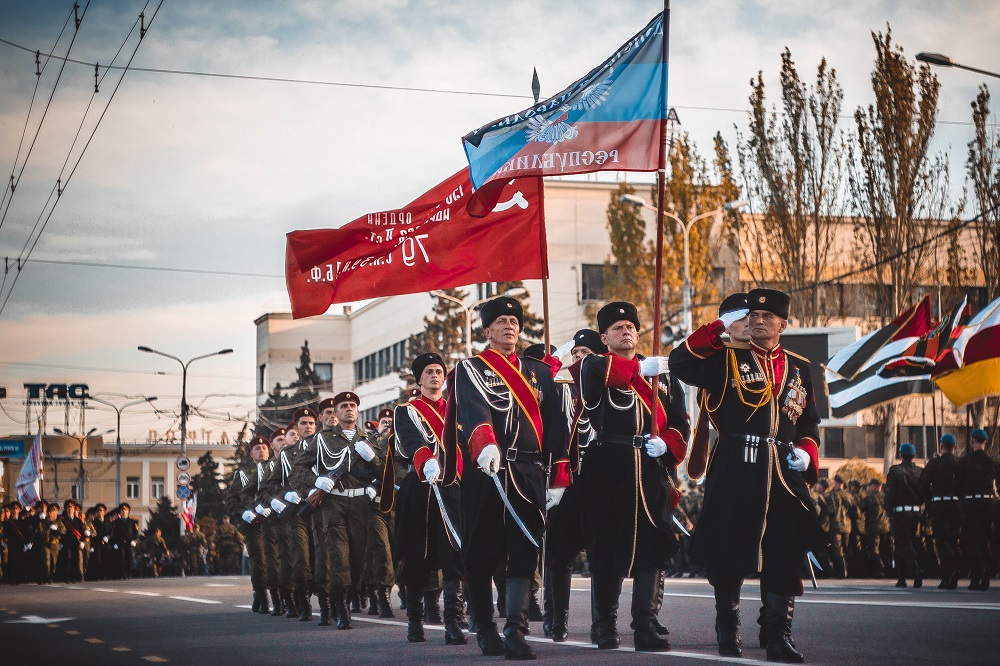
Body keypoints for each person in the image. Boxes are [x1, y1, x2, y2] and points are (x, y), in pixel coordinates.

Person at [670, 288, 823, 662]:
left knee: (783, 553)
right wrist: (717, 327)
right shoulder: (724, 360)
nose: (757, 321)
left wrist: (807, 452)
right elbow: (680, 364)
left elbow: (809, 422)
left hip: (783, 471)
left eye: (766, 317)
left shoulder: (800, 366)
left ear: (783, 325)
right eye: (752, 315)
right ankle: (728, 629)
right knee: (729, 551)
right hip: (738, 464)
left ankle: (777, 635)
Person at [449, 295, 571, 660]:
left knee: (524, 554)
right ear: (487, 330)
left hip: (529, 473)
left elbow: (556, 429)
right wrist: (484, 443)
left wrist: (558, 478)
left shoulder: (541, 373)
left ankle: (515, 631)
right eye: (501, 322)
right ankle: (486, 629)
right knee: (482, 555)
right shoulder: (471, 369)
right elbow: (474, 410)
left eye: (514, 322)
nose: (509, 326)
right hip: (488, 472)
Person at [576, 301, 689, 653]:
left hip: (651, 467)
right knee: (607, 546)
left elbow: (680, 422)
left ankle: (646, 623)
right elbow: (601, 373)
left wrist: (666, 444)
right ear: (604, 337)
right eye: (617, 327)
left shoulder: (664, 375)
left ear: (639, 333)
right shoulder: (593, 366)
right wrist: (640, 370)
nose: (625, 331)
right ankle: (604, 624)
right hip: (610, 466)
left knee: (653, 548)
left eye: (630, 326)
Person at [293, 392, 384, 629]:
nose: (348, 409)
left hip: (361, 505)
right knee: (337, 556)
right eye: (343, 406)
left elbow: (385, 472)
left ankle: (350, 594)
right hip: (333, 504)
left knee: (358, 559)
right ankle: (341, 609)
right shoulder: (322, 440)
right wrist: (316, 482)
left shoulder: (368, 440)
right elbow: (298, 469)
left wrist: (373, 459)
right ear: (336, 411)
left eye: (352, 405)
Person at [393, 352, 466, 645]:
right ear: (419, 378)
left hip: (452, 487)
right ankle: (414, 621)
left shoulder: (457, 411)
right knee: (417, 556)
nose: (435, 375)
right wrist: (426, 459)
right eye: (429, 372)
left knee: (454, 553)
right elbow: (411, 441)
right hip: (421, 487)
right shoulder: (406, 410)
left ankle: (453, 623)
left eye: (439, 371)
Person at [542, 328, 607, 643]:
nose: (579, 359)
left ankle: (601, 622)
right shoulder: (560, 389)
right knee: (559, 554)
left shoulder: (608, 389)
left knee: (600, 554)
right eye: (576, 354)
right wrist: (549, 367)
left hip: (596, 481)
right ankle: (557, 619)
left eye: (586, 354)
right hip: (564, 481)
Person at [228, 435, 272, 612]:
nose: (261, 451)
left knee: (275, 560)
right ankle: (261, 596)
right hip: (254, 524)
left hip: (274, 521)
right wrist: (243, 513)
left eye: (264, 448)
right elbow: (232, 501)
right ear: (251, 454)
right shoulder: (244, 475)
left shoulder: (275, 469)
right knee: (259, 560)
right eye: (257, 449)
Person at [955, 428, 997, 591]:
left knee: (967, 542)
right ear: (985, 442)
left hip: (971, 503)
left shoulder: (965, 462)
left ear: (972, 442)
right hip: (988, 503)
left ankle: (985, 568)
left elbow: (957, 486)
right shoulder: (992, 462)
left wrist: (962, 499)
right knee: (982, 541)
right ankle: (981, 580)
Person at [919, 433, 962, 589]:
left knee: (942, 542)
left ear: (941, 446)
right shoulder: (959, 463)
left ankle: (948, 574)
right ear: (955, 447)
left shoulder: (934, 463)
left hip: (939, 505)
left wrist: (927, 501)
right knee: (952, 540)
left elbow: (923, 484)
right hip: (956, 505)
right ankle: (952, 574)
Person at [885, 442, 924, 589]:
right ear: (913, 456)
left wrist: (888, 511)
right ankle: (902, 578)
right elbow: (924, 491)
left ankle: (915, 570)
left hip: (900, 512)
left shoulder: (895, 471)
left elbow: (889, 493)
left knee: (902, 543)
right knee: (911, 543)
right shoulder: (920, 471)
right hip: (916, 511)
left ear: (901, 455)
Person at [858, 480, 889, 578]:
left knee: (874, 550)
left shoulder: (870, 498)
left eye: (870, 486)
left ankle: (880, 568)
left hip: (874, 526)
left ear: (875, 486)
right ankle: (887, 569)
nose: (868, 488)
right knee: (884, 549)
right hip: (886, 526)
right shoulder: (886, 497)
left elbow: (860, 509)